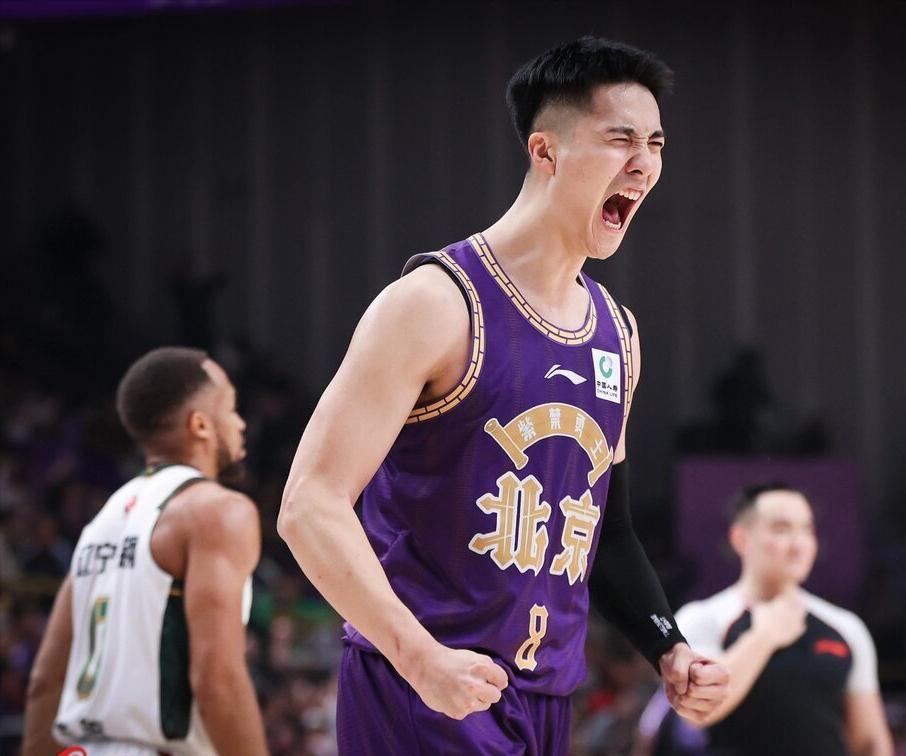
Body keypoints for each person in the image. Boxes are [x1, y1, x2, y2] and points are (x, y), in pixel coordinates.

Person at [278, 36, 729, 754]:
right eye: (620, 139)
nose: (644, 163)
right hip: (424, 688)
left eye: (656, 143)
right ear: (545, 151)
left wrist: (667, 646)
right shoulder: (434, 302)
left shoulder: (619, 333)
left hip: (545, 699)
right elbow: (310, 504)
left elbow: (608, 534)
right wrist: (418, 658)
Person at [22, 347, 268, 756]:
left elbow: (45, 682)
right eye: (231, 408)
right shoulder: (216, 511)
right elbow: (216, 680)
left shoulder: (104, 519)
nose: (240, 423)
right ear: (200, 425)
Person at [673, 483, 892, 756]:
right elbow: (697, 711)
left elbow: (870, 742)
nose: (799, 544)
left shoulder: (846, 627)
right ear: (740, 539)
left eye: (807, 530)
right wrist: (764, 636)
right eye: (781, 529)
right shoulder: (702, 618)